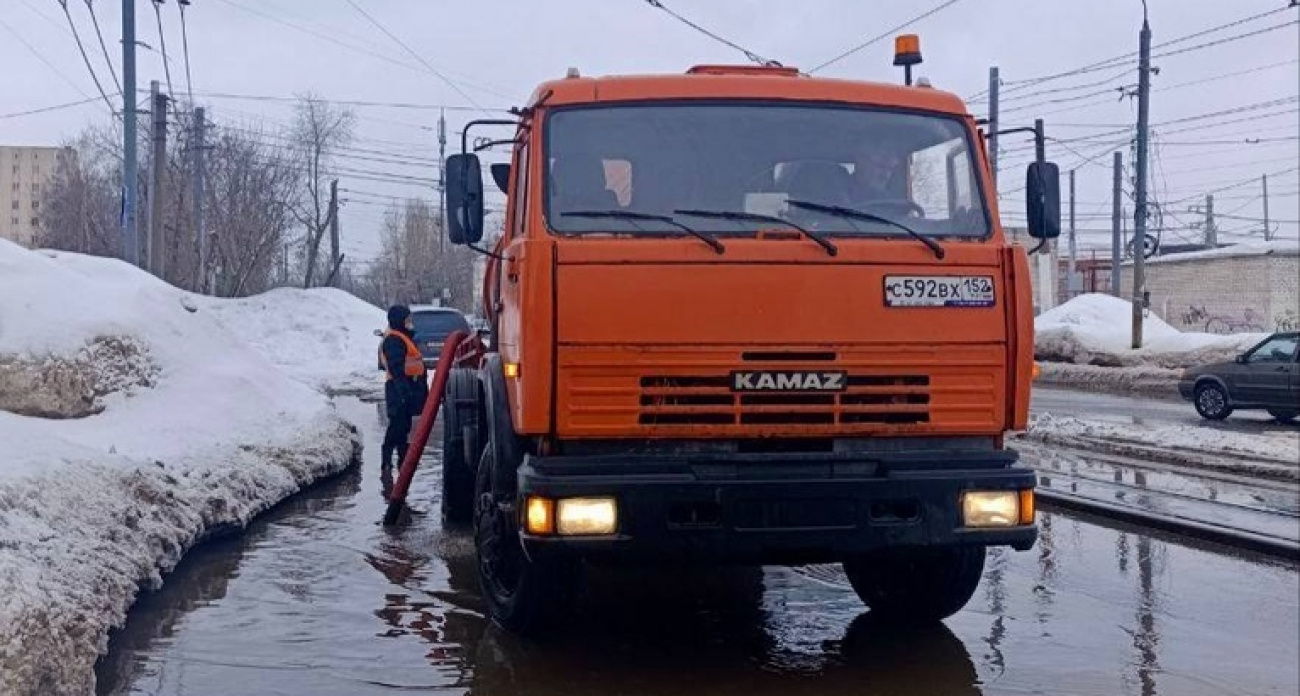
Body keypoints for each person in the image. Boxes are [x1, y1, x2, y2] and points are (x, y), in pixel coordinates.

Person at [379, 304, 428, 469]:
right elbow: (396, 367)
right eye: (407, 319)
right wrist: (404, 391)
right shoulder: (394, 340)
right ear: (399, 321)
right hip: (398, 389)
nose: (410, 322)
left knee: (404, 426)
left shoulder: (403, 337)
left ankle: (403, 459)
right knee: (397, 425)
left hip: (406, 388)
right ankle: (387, 460)